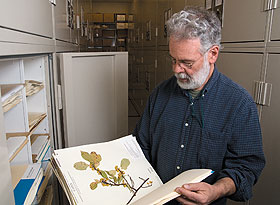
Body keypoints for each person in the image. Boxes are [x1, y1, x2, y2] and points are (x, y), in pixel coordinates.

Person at [133, 7, 265, 205]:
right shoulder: (160, 94)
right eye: (173, 60)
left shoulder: (239, 104)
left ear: (212, 54)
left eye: (187, 62)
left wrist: (216, 190)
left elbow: (246, 168)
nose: (177, 69)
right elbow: (140, 147)